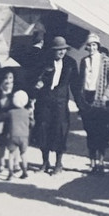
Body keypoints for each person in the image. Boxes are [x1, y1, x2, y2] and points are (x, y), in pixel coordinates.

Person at [31, 36, 79, 174]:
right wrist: (36, 86)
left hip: (60, 103)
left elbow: (76, 85)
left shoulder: (70, 63)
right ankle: (45, 162)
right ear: (52, 50)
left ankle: (58, 163)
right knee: (43, 130)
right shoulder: (44, 61)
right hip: (44, 102)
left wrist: (81, 105)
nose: (61, 52)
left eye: (63, 49)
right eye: (58, 50)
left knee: (60, 131)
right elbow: (34, 78)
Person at [74, 33, 109, 173]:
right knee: (90, 132)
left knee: (102, 132)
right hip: (87, 99)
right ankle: (92, 162)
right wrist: (80, 99)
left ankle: (101, 161)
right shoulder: (84, 61)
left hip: (100, 100)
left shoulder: (105, 60)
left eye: (94, 45)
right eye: (89, 45)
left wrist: (106, 95)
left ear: (98, 46)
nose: (91, 48)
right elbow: (81, 80)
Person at [0, 90, 34, 180]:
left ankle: (10, 173)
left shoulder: (10, 112)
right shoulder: (27, 112)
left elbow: (5, 120)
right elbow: (32, 124)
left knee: (11, 154)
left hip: (12, 135)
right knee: (23, 154)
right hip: (24, 136)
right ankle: (25, 172)